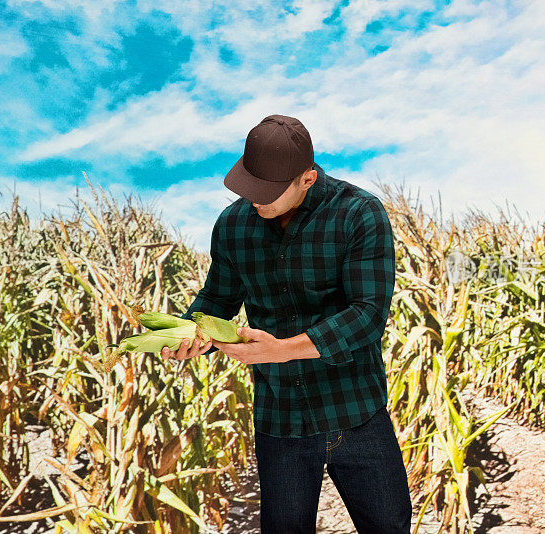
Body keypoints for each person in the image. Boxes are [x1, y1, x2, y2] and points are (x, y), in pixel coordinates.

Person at [162, 114, 412, 533]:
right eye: (249, 185)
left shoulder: (359, 214)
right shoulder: (232, 225)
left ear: (308, 179)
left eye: (268, 192)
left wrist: (281, 350)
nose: (255, 199)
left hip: (356, 412)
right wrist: (192, 332)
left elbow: (367, 315)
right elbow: (218, 298)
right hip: (281, 419)